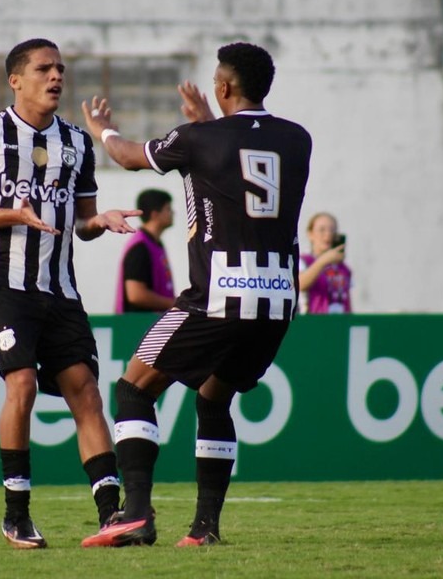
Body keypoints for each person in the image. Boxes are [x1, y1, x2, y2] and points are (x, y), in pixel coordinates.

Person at [79, 42, 311, 547]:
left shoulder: (197, 139)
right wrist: (209, 121)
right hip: (276, 300)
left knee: (134, 389)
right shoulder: (297, 139)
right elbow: (245, 162)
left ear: (224, 87)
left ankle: (135, 512)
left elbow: (125, 156)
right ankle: (205, 529)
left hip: (218, 294)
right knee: (214, 398)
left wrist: (101, 129)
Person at [0, 38, 140, 550]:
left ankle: (109, 515)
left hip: (59, 289)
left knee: (86, 391)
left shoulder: (77, 142)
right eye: (43, 68)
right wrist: (15, 213)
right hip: (1, 285)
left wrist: (101, 219)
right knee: (23, 386)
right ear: (16, 79)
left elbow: (82, 222)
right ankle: (17, 515)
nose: (56, 76)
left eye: (60, 68)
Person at [116, 189, 176, 313]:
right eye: (168, 209)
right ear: (155, 214)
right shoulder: (140, 247)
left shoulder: (155, 244)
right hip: (137, 326)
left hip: (151, 323)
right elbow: (135, 294)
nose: (173, 213)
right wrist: (175, 304)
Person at [298, 212, 351, 313]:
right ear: (310, 234)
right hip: (313, 321)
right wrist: (323, 261)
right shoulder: (304, 261)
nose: (328, 234)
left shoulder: (343, 268)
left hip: (339, 322)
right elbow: (300, 284)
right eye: (322, 230)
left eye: (332, 230)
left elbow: (347, 300)